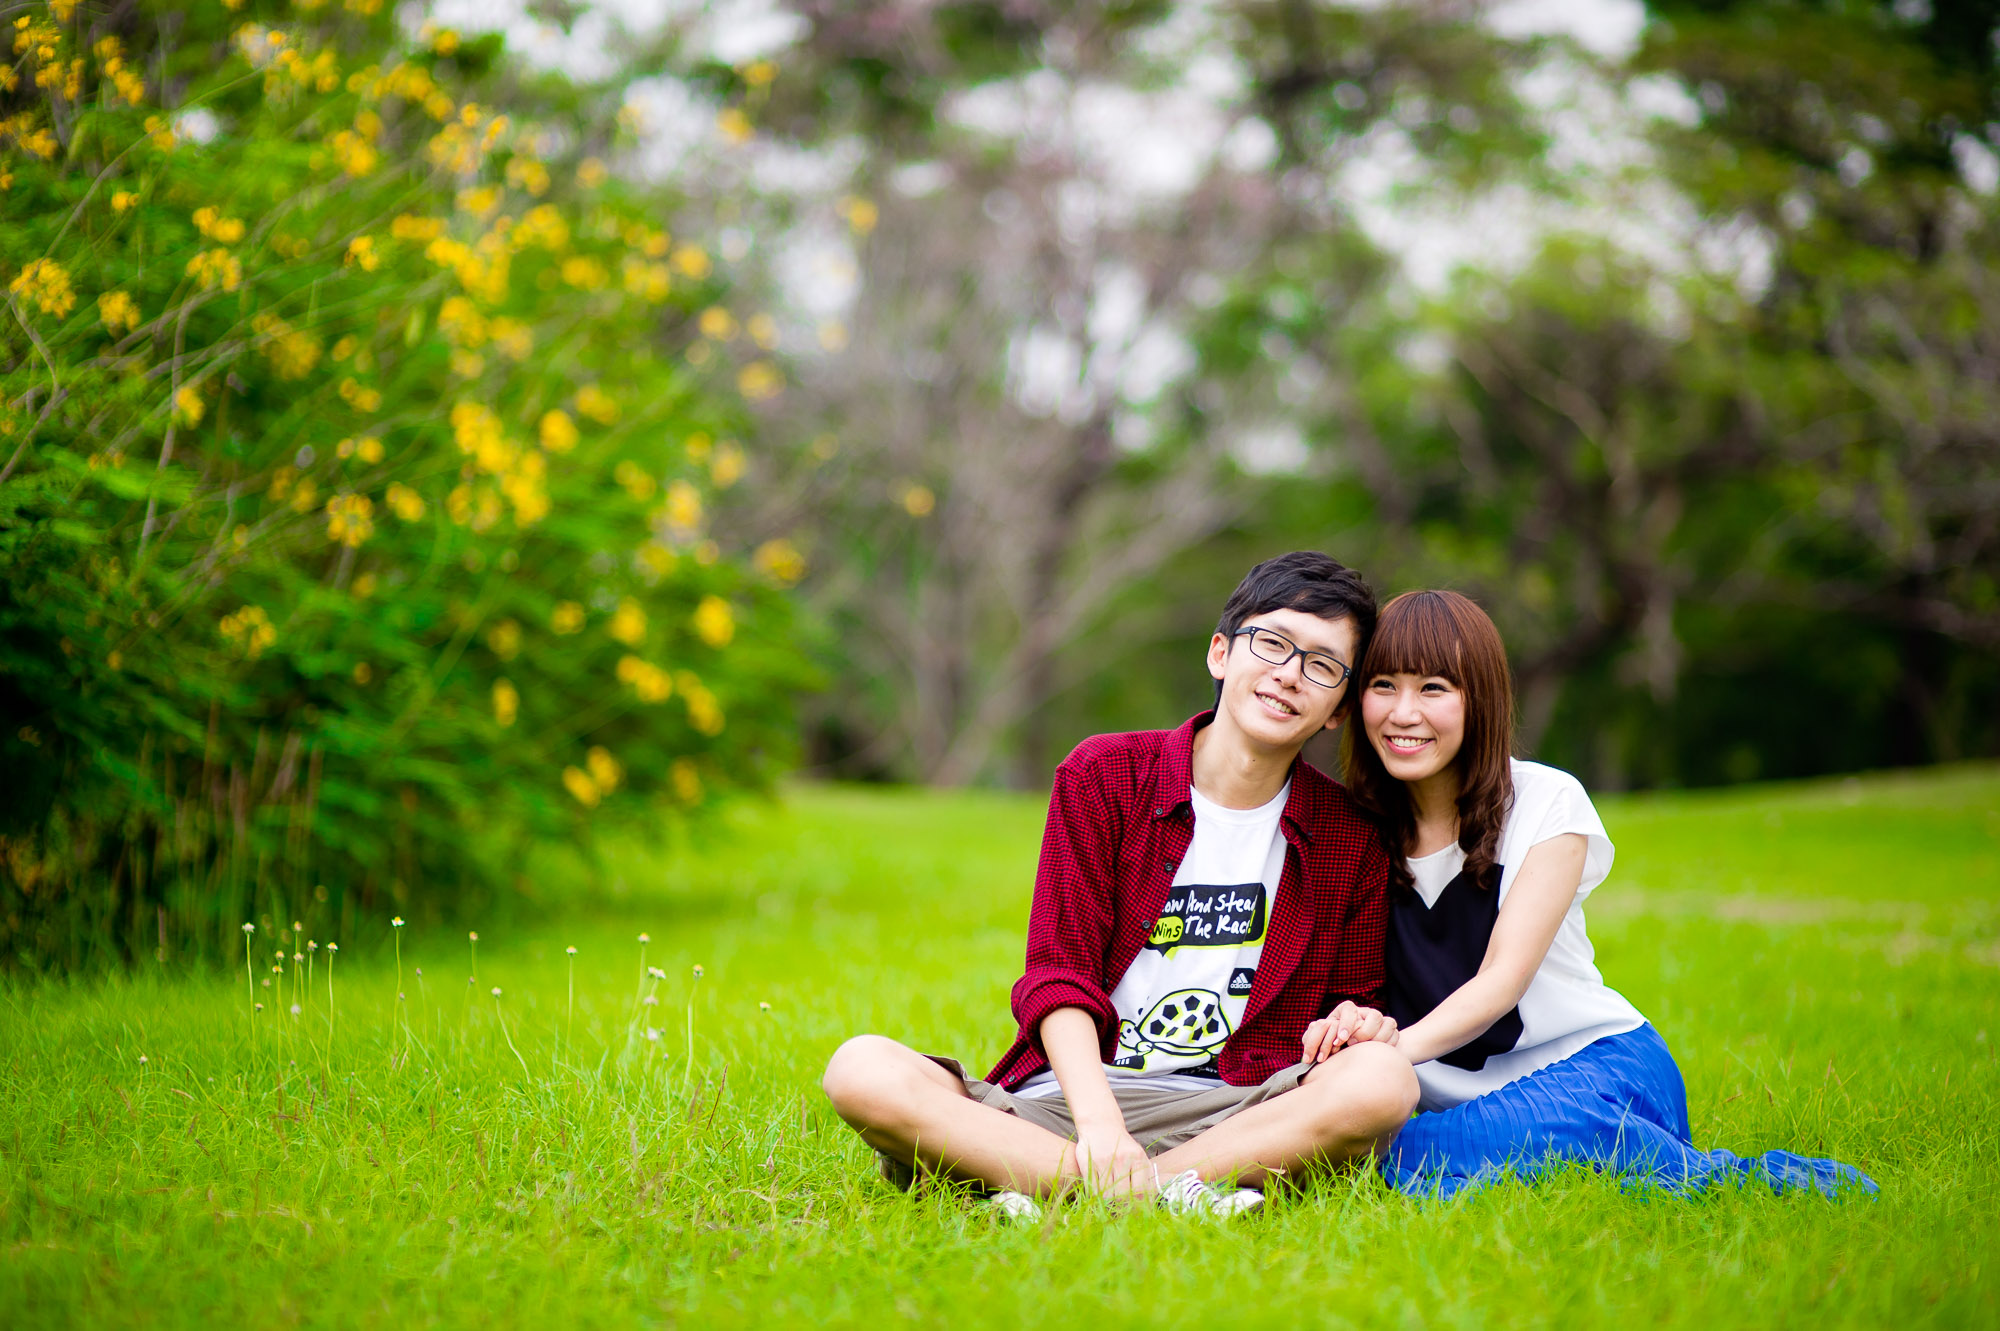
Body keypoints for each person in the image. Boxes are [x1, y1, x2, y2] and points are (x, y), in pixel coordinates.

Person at [822, 552, 1420, 1219]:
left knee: (1383, 1079)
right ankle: (1167, 1191)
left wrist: (1355, 1022)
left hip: (1237, 1111)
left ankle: (1056, 1186)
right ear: (1221, 653)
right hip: (1070, 1103)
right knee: (861, 1068)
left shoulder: (1349, 834)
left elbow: (1349, 1003)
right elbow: (1059, 975)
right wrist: (1102, 1129)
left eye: (1322, 665)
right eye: (1273, 643)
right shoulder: (1105, 775)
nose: (1289, 674)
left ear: (1338, 709)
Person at [1315, 588, 1876, 1199]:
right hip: (1449, 1100)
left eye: (1433, 688)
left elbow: (1503, 979)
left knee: (1400, 1156)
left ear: (1481, 699)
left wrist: (1389, 1051)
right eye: (1384, 685)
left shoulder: (1544, 802)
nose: (1403, 713)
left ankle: (1730, 1179)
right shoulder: (1350, 829)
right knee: (1396, 1151)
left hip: (1592, 1069)